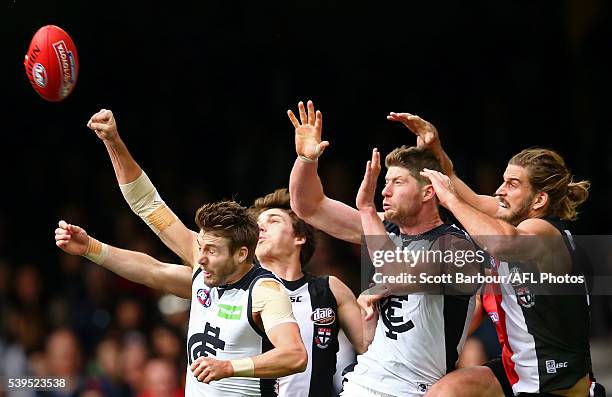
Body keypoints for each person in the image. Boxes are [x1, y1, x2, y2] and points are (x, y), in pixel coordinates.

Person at [83, 109, 370, 396]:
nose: (262, 227)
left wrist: (377, 293)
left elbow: (372, 355)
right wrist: (114, 141)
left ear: (300, 238)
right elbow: (149, 207)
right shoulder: (223, 271)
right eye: (259, 222)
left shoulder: (329, 290)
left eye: (274, 220)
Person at [388, 112, 598, 397]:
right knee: (445, 392)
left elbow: (499, 242)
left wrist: (449, 199)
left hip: (554, 383)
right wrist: (435, 148)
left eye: (512, 184)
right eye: (503, 181)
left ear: (539, 199)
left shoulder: (545, 232)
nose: (500, 190)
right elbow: (464, 193)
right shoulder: (511, 217)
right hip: (517, 370)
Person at [288, 100, 482, 397]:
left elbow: (394, 272)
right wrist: (306, 160)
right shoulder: (385, 229)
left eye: (398, 182)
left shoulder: (456, 245)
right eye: (385, 181)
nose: (385, 191)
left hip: (412, 389)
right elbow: (308, 206)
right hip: (364, 380)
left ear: (429, 191)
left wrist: (366, 210)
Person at [54, 199, 308, 397]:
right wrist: (91, 248)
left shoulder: (264, 290)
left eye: (211, 251)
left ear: (242, 254)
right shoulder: (206, 275)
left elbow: (295, 355)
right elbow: (150, 264)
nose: (201, 258)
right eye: (201, 248)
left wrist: (230, 367)